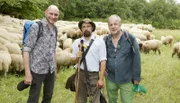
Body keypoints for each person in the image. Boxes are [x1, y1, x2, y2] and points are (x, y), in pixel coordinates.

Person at [22, 5, 59, 103]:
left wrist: (55, 69)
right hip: (37, 69)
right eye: (51, 13)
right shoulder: (37, 27)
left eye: (56, 15)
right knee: (33, 98)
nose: (53, 16)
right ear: (45, 12)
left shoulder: (55, 29)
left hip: (50, 70)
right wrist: (27, 73)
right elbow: (26, 50)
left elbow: (53, 50)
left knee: (48, 96)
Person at [105, 14, 141, 103]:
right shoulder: (105, 40)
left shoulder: (130, 39)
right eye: (111, 24)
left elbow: (137, 58)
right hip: (110, 78)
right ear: (108, 26)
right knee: (112, 101)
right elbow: (102, 57)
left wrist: (136, 77)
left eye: (115, 24)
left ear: (120, 25)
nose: (113, 26)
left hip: (126, 78)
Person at [71, 18, 107, 103]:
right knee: (80, 99)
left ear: (92, 28)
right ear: (81, 29)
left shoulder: (99, 42)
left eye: (88, 26)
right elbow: (72, 60)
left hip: (93, 76)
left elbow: (103, 61)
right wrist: (76, 57)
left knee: (95, 100)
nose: (86, 28)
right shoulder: (77, 42)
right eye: (83, 27)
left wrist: (101, 79)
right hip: (80, 74)